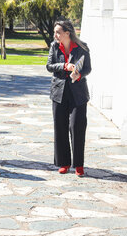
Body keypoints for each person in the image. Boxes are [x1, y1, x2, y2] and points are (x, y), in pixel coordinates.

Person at [47, 20, 91, 177]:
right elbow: (49, 66)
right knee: (60, 127)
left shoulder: (82, 47)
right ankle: (63, 163)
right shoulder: (54, 46)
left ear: (67, 33)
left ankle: (78, 165)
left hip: (78, 94)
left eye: (58, 32)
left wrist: (78, 74)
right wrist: (64, 66)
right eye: (55, 32)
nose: (55, 35)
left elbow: (87, 68)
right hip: (58, 92)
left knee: (77, 127)